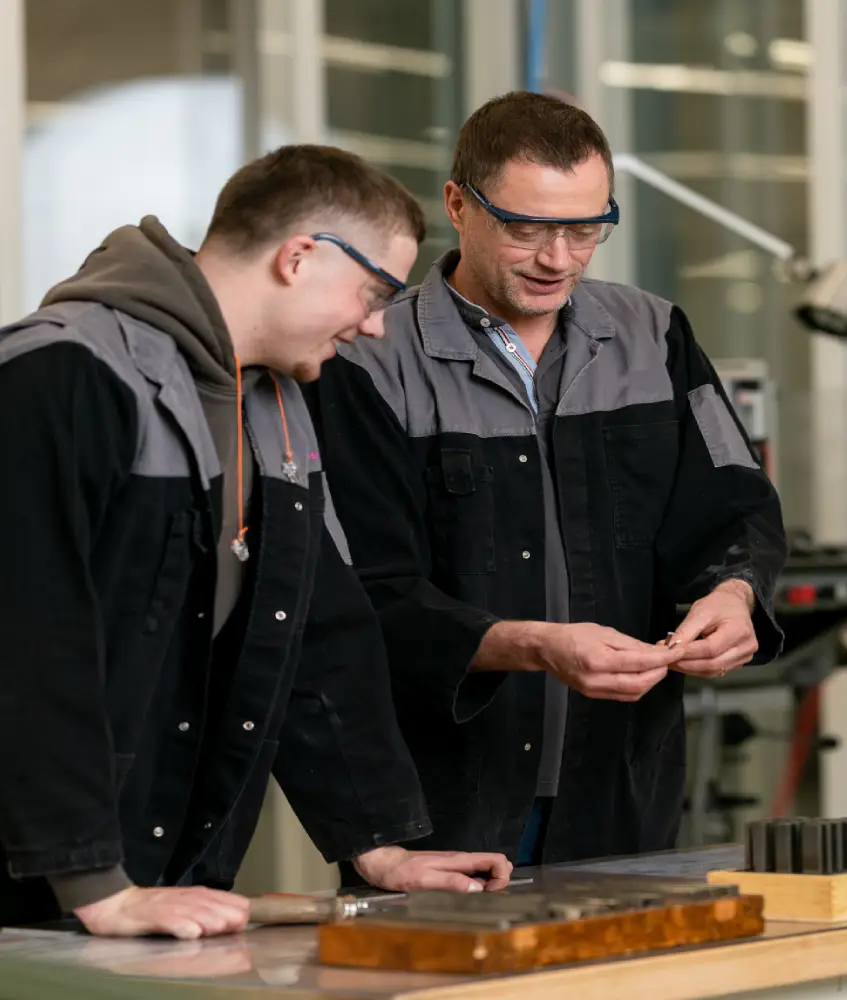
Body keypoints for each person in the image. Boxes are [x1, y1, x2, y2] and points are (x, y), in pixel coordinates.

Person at [0, 144, 511, 941]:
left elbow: (315, 625)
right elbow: (25, 638)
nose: (375, 325)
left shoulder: (274, 401)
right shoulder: (62, 373)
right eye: (374, 293)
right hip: (41, 885)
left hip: (157, 884)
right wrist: (96, 884)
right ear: (299, 256)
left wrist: (377, 844)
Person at [306, 93, 788, 868]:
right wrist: (532, 646)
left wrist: (734, 594)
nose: (558, 258)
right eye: (527, 228)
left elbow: (736, 504)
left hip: (624, 781)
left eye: (585, 228)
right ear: (459, 205)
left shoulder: (655, 334)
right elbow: (364, 591)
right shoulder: (367, 359)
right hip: (444, 799)